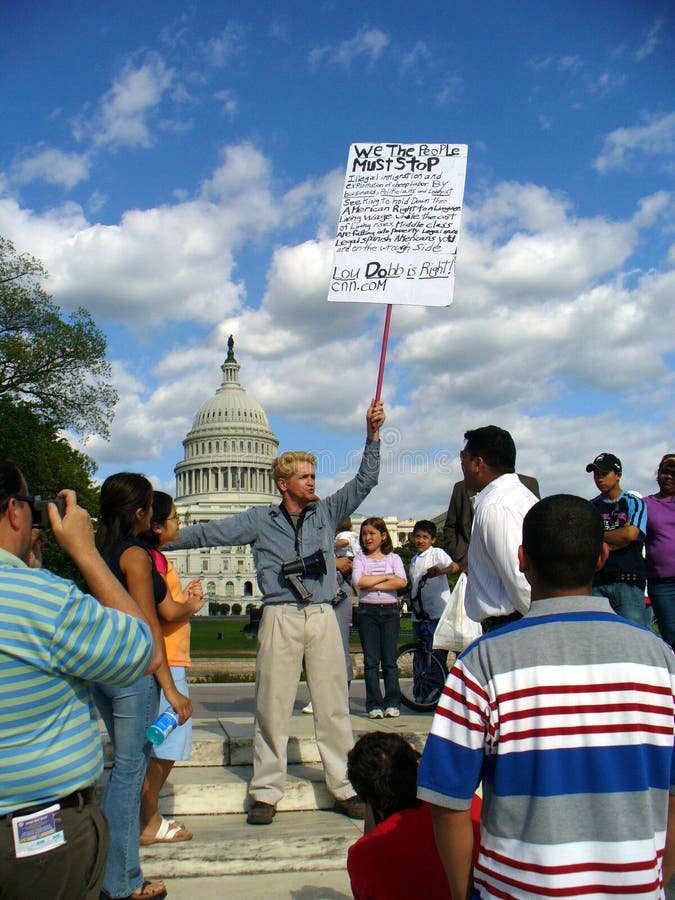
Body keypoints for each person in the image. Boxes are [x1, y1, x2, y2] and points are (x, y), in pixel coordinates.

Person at [418, 494, 675, 899]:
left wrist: (463, 892)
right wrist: (652, 878)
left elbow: (449, 801)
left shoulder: (481, 663)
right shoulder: (662, 662)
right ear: (602, 558)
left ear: (522, 558)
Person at [166, 400, 385, 825]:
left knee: (333, 705)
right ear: (283, 483)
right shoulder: (258, 520)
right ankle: (266, 790)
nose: (312, 482)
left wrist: (372, 437)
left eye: (314, 475)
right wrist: (157, 540)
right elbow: (209, 532)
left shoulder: (327, 511)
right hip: (281, 615)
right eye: (304, 477)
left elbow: (366, 480)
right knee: (271, 704)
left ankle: (342, 784)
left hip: (321, 614)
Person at [0, 460, 153, 900]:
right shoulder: (41, 599)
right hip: (36, 840)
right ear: (14, 511)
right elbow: (138, 650)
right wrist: (85, 552)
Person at [94, 473, 192, 900]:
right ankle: (122, 882)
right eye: (150, 506)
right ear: (138, 512)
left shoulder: (104, 550)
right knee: (130, 773)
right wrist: (170, 687)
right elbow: (146, 622)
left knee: (128, 769)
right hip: (132, 673)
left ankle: (114, 872)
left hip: (106, 669)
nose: (154, 514)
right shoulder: (134, 556)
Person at [140, 492, 206, 846]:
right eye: (175, 517)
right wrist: (191, 606)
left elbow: (165, 605)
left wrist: (183, 599)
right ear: (156, 525)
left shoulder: (151, 559)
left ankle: (145, 817)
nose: (180, 523)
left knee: (158, 747)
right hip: (168, 663)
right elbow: (166, 614)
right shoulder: (154, 561)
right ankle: (146, 821)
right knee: (165, 747)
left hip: (163, 660)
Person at [346, 732, 481, 900]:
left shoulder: (363, 857)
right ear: (417, 766)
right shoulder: (466, 811)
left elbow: (372, 843)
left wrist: (369, 796)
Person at [460, 426, 538, 630]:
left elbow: (518, 577)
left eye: (463, 457)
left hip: (513, 625)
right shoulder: (524, 497)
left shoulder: (496, 506)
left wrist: (540, 623)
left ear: (478, 464)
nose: (461, 465)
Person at [303, 517, 359, 716]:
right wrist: (331, 559)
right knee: (313, 649)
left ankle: (341, 696)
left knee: (340, 646)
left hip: (337, 594)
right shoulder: (307, 536)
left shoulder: (344, 540)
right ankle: (318, 697)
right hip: (313, 594)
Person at [586, 451, 649, 627]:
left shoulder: (634, 502)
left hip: (628, 581)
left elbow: (631, 535)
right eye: (596, 474)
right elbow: (586, 541)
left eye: (604, 474)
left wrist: (597, 534)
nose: (599, 479)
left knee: (636, 638)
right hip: (597, 582)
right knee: (599, 639)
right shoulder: (590, 506)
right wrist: (618, 536)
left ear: (618, 475)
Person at [352, 517, 407, 719]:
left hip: (390, 611)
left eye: (372, 533)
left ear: (383, 536)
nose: (367, 538)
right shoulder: (360, 558)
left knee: (390, 661)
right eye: (365, 534)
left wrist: (371, 583)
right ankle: (374, 704)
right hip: (367, 612)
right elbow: (359, 581)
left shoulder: (394, 558)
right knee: (371, 661)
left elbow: (401, 582)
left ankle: (393, 702)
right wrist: (386, 577)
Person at [443, 474, 539, 571]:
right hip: (471, 565)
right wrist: (461, 558)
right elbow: (450, 527)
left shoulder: (528, 483)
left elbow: (538, 524)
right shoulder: (462, 487)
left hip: (519, 562)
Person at [409, 519, 460, 659]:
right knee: (420, 656)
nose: (420, 540)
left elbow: (454, 567)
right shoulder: (413, 560)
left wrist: (439, 572)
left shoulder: (436, 553)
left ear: (432, 540)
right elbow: (416, 587)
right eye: (418, 536)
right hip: (419, 615)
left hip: (436, 614)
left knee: (436, 656)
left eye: (425, 537)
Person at [644, 453, 675, 643]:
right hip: (661, 581)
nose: (669, 476)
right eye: (665, 472)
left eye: (674, 472)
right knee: (670, 634)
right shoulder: (646, 504)